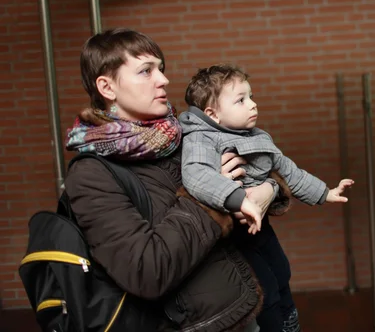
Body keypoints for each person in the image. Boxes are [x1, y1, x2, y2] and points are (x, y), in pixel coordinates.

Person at [64, 28, 284, 332]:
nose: (163, 79)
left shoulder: (181, 132)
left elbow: (257, 174)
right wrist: (209, 194)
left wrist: (269, 189)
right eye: (145, 71)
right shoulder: (91, 174)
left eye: (160, 68)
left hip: (256, 304)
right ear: (107, 87)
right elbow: (146, 270)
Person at [178, 64, 354, 332]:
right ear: (212, 114)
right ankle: (275, 326)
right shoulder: (201, 138)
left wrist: (325, 192)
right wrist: (238, 199)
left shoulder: (256, 136)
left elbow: (288, 170)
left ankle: (289, 320)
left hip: (261, 227)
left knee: (281, 271)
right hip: (234, 236)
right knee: (264, 287)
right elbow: (196, 175)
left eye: (251, 96)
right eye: (241, 100)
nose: (252, 105)